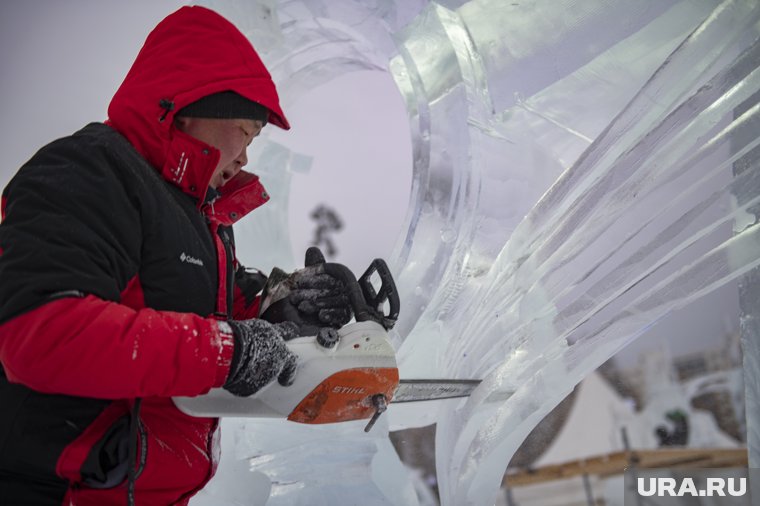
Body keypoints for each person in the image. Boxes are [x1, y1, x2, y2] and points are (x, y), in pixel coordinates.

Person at [0, 6, 354, 505]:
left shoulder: (191, 213)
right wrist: (229, 351)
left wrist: (280, 305)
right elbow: (44, 335)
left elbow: (199, 313)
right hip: (56, 492)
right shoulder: (89, 171)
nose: (247, 157)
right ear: (196, 105)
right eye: (247, 131)